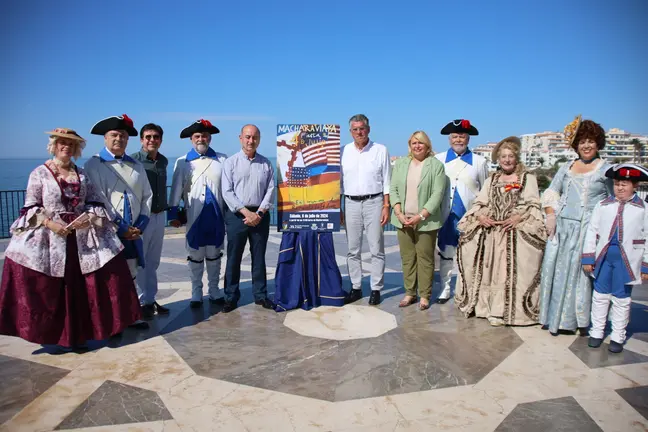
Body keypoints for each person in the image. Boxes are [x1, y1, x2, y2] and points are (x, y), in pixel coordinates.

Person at [0, 128, 141, 349]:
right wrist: (51, 224)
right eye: (62, 143)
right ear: (54, 146)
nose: (66, 147)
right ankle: (60, 335)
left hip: (80, 237)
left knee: (95, 278)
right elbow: (31, 206)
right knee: (51, 284)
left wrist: (89, 217)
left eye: (71, 144)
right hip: (51, 237)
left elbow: (95, 201)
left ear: (76, 149)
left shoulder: (82, 174)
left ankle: (84, 333)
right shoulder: (40, 173)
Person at [455, 136, 547, 326]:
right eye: (503, 156)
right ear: (498, 159)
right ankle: (486, 308)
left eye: (510, 156)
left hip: (514, 233)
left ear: (516, 157)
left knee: (507, 271)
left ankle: (503, 312)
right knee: (489, 269)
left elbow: (533, 204)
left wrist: (518, 217)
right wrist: (481, 216)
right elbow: (480, 202)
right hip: (492, 233)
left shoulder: (527, 178)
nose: (507, 160)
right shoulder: (492, 179)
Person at [539, 116, 613, 336]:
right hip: (563, 228)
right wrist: (550, 215)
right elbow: (552, 192)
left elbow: (612, 200)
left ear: (598, 143)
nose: (586, 146)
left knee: (581, 276)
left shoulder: (606, 170)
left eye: (590, 141)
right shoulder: (566, 167)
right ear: (576, 145)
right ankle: (555, 319)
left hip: (588, 231)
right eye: (582, 142)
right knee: (558, 273)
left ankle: (579, 320)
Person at [84, 114, 153, 330]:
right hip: (107, 230)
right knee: (110, 275)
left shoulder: (136, 165)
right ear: (105, 137)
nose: (119, 139)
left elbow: (147, 196)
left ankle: (132, 314)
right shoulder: (93, 165)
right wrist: (120, 228)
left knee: (132, 272)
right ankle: (112, 321)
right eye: (114, 135)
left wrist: (140, 225)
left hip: (134, 229)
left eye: (123, 135)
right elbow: (98, 200)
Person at [582, 164, 648, 353]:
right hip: (603, 259)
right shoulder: (603, 205)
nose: (620, 187)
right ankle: (596, 332)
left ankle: (618, 336)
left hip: (627, 261)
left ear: (635, 186)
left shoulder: (643, 209)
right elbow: (592, 231)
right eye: (617, 183)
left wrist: (645, 265)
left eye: (625, 184)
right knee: (600, 296)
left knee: (622, 298)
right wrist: (588, 257)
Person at [168, 119, 227, 308]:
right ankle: (196, 291)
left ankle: (214, 289)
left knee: (214, 253)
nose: (201, 139)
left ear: (210, 138)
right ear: (191, 139)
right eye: (197, 136)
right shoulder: (182, 161)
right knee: (195, 253)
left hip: (216, 216)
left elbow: (228, 189)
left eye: (204, 136)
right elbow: (176, 188)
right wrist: (173, 213)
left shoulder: (222, 159)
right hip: (194, 216)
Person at [389, 131, 446, 310]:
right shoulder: (400, 164)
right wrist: (398, 212)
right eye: (414, 143)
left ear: (427, 146)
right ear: (409, 145)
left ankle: (424, 295)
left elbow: (437, 194)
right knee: (407, 258)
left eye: (421, 143)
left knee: (425, 258)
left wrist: (421, 216)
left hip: (425, 221)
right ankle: (409, 292)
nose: (417, 146)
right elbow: (393, 189)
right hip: (403, 219)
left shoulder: (436, 166)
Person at [221, 124, 275, 312]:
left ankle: (260, 295)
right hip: (237, 215)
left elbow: (270, 190)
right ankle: (230, 297)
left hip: (260, 216)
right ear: (240, 138)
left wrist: (259, 213)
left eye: (254, 137)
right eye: (247, 137)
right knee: (234, 257)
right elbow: (227, 192)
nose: (251, 141)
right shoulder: (230, 163)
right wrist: (246, 212)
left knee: (259, 257)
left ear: (259, 139)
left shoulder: (266, 163)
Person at [435, 119, 489, 304]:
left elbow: (485, 191)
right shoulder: (439, 159)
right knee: (446, 253)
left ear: (468, 139)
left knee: (470, 256)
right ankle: (444, 288)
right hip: (446, 216)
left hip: (470, 217)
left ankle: (467, 291)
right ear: (449, 139)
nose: (458, 140)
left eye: (462, 136)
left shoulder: (480, 162)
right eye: (455, 136)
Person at [340, 114, 391, 306]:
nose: (359, 132)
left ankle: (376, 288)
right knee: (353, 249)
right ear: (350, 131)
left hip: (374, 202)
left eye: (362, 128)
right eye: (355, 129)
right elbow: (338, 183)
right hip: (350, 203)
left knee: (376, 248)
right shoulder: (343, 151)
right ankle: (356, 287)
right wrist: (339, 208)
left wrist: (386, 206)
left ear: (368, 129)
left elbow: (387, 180)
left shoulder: (380, 150)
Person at [131, 123, 170, 319]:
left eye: (155, 137)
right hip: (142, 217)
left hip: (160, 216)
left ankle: (149, 300)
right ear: (141, 140)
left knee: (153, 261)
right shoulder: (133, 161)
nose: (152, 140)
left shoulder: (163, 161)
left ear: (161, 140)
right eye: (148, 137)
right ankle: (138, 303)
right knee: (140, 261)